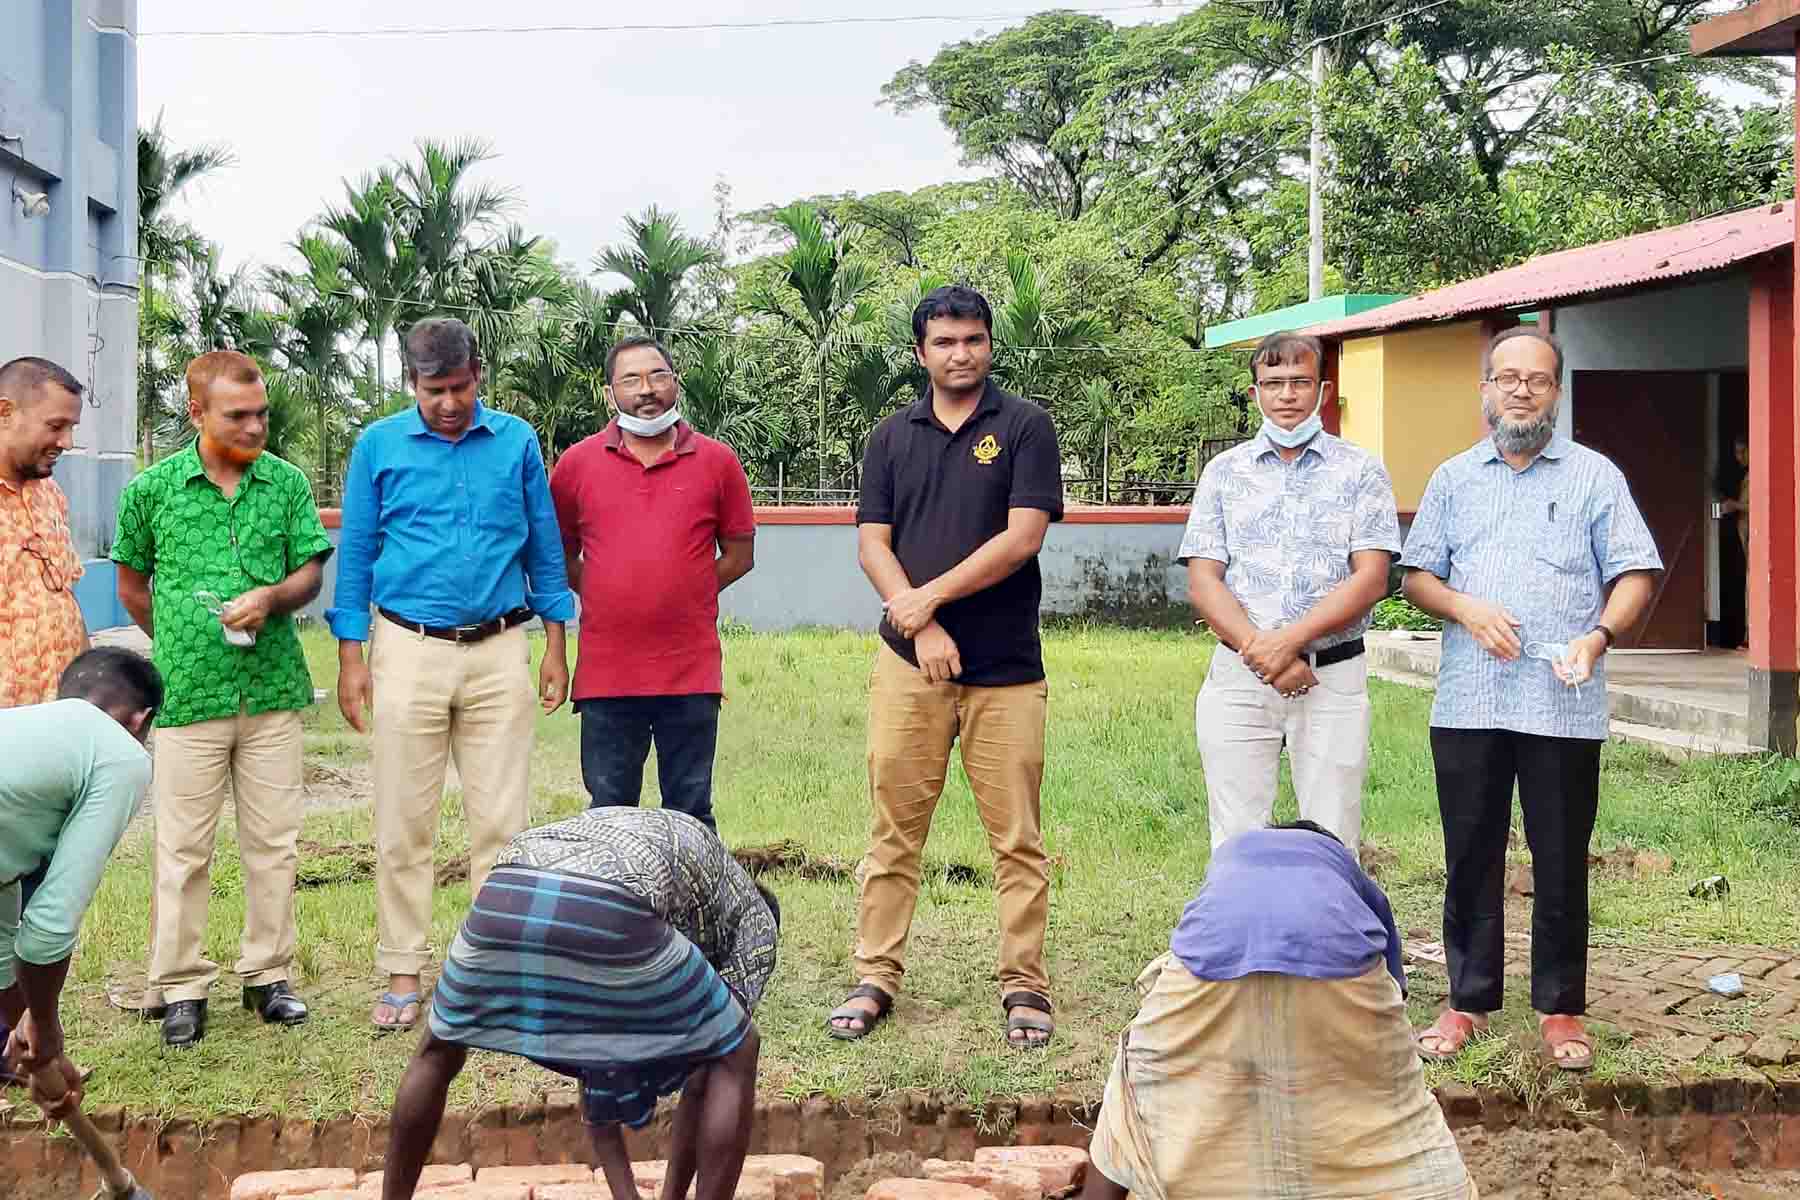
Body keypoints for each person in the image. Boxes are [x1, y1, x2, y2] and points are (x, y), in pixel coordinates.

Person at [1401, 327, 1660, 1071]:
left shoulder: (1594, 477)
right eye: (1507, 377)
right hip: (1469, 703)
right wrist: (1466, 609)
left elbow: (1636, 571)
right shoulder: (1454, 479)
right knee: (1470, 854)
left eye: (1537, 379)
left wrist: (1599, 636)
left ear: (1556, 392)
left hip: (1562, 703)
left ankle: (1560, 1007)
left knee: (1560, 857)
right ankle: (1467, 999)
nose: (1521, 390)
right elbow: (1417, 575)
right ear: (1484, 388)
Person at [829, 284, 1064, 1048]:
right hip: (908, 668)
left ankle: (1024, 983)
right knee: (894, 830)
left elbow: (1022, 536)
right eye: (944, 342)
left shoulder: (1026, 427)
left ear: (990, 344)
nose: (960, 354)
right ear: (920, 353)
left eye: (973, 340)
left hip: (1007, 670)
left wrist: (924, 599)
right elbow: (872, 544)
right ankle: (875, 976)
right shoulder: (891, 437)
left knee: (1017, 838)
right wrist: (919, 622)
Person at [328, 316, 574, 1034]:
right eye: (434, 390)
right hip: (407, 647)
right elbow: (359, 555)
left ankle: (490, 971)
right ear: (412, 383)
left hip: (502, 647)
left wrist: (556, 643)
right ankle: (403, 969)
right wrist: (352, 656)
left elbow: (545, 548)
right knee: (405, 819)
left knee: (502, 820)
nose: (448, 403)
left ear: (480, 374)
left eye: (460, 387)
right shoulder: (378, 446)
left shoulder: (518, 442)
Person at [379, 807, 778, 1200]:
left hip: (505, 891)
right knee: (738, 1049)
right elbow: (718, 1060)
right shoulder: (754, 918)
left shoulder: (686, 880)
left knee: (437, 1048)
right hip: (608, 898)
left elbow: (597, 1055)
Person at [113, 350, 335, 1048]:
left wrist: (272, 598)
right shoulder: (151, 490)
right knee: (184, 848)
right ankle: (180, 987)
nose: (256, 426)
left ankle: (268, 977)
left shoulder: (286, 484)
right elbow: (131, 585)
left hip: (271, 692)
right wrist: (181, 645)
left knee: (274, 843)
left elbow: (308, 570)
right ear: (196, 413)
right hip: (186, 699)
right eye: (238, 415)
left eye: (261, 412)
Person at [1079, 823, 1477, 1200]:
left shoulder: (1230, 861)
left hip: (1208, 965)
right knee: (1388, 1103)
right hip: (1336, 959)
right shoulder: (1345, 871)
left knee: (1136, 1086)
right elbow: (1393, 990)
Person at [1179, 331, 1399, 853]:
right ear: (1255, 392)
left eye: (1299, 382)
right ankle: (1240, 935)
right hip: (1239, 675)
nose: (1286, 395)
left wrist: (1289, 642)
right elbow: (1203, 578)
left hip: (1331, 677)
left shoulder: (1361, 471)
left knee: (1332, 830)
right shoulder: (1224, 473)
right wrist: (1265, 653)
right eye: (1272, 383)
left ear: (1322, 390)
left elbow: (1371, 577)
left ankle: (1330, 936)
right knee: (1235, 832)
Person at [549, 335, 756, 830]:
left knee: (690, 811)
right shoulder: (577, 464)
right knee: (608, 812)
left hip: (690, 670)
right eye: (631, 379)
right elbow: (558, 555)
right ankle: (613, 910)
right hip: (607, 672)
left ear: (675, 384)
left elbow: (740, 556)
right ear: (609, 393)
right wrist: (601, 587)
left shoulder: (717, 462)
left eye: (657, 376)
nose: (647, 390)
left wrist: (686, 590)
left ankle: (692, 910)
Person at [0, 648, 161, 1121]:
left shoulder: (22, 732)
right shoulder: (120, 754)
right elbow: (48, 928)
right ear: (140, 720)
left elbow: (4, 943)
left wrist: (34, 1039)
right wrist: (47, 1029)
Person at [0, 356, 89, 709]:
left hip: (58, 720)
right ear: (5, 412)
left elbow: (66, 595)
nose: (67, 442)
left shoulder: (50, 495)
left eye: (72, 428)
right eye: (55, 425)